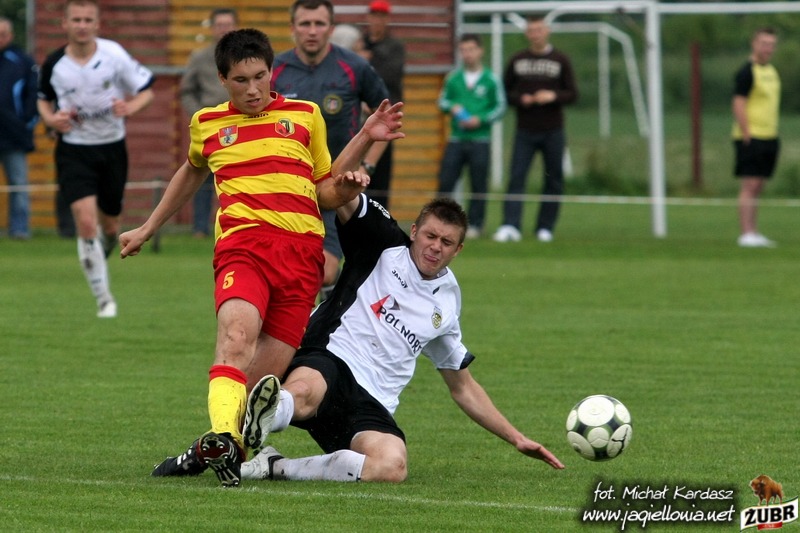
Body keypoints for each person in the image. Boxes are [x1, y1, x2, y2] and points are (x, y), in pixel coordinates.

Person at [121, 28, 404, 487]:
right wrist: (148, 227)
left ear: (272, 71)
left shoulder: (305, 115)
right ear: (222, 79)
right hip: (244, 246)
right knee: (236, 339)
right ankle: (221, 439)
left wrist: (348, 183)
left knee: (257, 388)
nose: (253, 89)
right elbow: (191, 171)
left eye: (260, 77)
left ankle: (207, 451)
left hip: (303, 259)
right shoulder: (207, 124)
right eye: (240, 80)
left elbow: (324, 190)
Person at [232, 194, 565, 482]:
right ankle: (263, 416)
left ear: (458, 249)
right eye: (430, 236)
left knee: (391, 465)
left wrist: (516, 438)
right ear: (415, 231)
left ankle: (277, 466)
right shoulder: (384, 245)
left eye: (446, 242)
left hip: (371, 401)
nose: (435, 247)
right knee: (304, 391)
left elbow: (463, 387)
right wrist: (359, 155)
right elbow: (339, 192)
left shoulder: (448, 302)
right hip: (330, 359)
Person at [37, 0, 155, 318]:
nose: (82, 25)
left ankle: (97, 259)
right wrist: (51, 119)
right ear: (65, 24)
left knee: (111, 224)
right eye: (76, 19)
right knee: (86, 222)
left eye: (88, 19)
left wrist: (129, 108)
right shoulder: (55, 64)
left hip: (111, 148)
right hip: (73, 150)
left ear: (97, 24)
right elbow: (43, 101)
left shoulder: (113, 55)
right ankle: (104, 299)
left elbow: (146, 91)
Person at [271, 0, 390, 299]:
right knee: (284, 271)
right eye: (305, 23)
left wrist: (367, 165)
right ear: (293, 28)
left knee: (324, 269)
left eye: (319, 23)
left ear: (331, 28)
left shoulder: (354, 67)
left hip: (335, 184)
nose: (312, 31)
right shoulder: (275, 71)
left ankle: (325, 307)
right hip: (286, 188)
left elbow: (386, 120)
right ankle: (321, 314)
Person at [493, 16, 577, 244]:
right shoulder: (517, 59)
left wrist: (553, 96)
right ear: (527, 34)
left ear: (547, 31)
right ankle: (511, 225)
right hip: (525, 130)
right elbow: (505, 92)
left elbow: (573, 93)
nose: (535, 34)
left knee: (553, 179)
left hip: (553, 130)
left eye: (539, 29)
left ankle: (545, 227)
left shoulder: (560, 59)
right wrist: (521, 99)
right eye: (531, 30)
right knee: (517, 176)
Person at [437, 33, 506, 240]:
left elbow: (500, 107)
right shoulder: (453, 78)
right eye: (463, 50)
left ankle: (475, 225)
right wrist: (453, 107)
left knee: (478, 184)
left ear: (480, 51)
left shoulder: (491, 79)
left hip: (480, 139)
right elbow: (442, 101)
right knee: (446, 181)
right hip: (456, 139)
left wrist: (480, 119)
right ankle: (441, 222)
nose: (467, 54)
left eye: (471, 49)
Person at [179, 8, 237, 239]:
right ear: (213, 28)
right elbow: (186, 91)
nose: (224, 29)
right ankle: (200, 228)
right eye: (220, 25)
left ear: (235, 27)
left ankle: (236, 224)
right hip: (210, 125)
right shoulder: (200, 57)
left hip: (241, 122)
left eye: (228, 25)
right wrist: (199, 116)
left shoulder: (245, 56)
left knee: (238, 176)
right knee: (202, 176)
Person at [732, 27, 781, 248]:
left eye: (771, 44)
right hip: (752, 136)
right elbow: (738, 103)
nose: (768, 48)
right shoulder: (747, 72)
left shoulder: (771, 71)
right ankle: (746, 233)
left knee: (759, 185)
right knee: (749, 185)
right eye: (764, 43)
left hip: (769, 135)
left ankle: (754, 231)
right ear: (754, 44)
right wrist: (747, 133)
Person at [363, 0, 405, 211]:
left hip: (384, 120)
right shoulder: (360, 43)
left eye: (381, 16)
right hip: (360, 120)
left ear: (387, 19)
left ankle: (380, 219)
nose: (377, 20)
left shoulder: (394, 47)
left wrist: (368, 60)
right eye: (374, 15)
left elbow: (390, 75)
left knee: (380, 177)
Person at [0, 16, 38, 240]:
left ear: (11, 36)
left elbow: (33, 96)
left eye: (3, 34)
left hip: (14, 136)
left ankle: (20, 230)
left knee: (18, 184)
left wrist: (25, 124)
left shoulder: (22, 61)